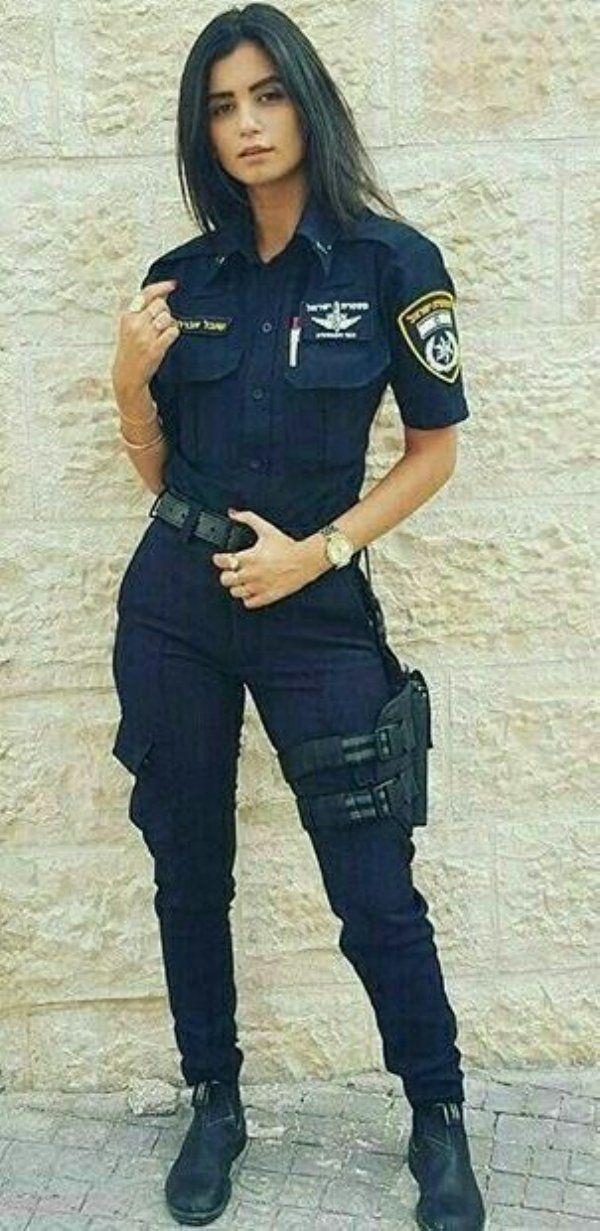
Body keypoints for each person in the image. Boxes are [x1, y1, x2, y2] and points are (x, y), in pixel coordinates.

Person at [110, 5, 486, 1228]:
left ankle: (436, 1112)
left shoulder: (392, 263)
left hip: (314, 608)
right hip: (176, 606)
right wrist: (127, 383)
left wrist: (318, 554)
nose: (248, 124)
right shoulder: (182, 278)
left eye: (267, 95)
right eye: (222, 105)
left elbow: (432, 453)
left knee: (374, 883)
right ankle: (214, 1098)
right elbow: (158, 471)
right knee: (188, 867)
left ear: (308, 103)